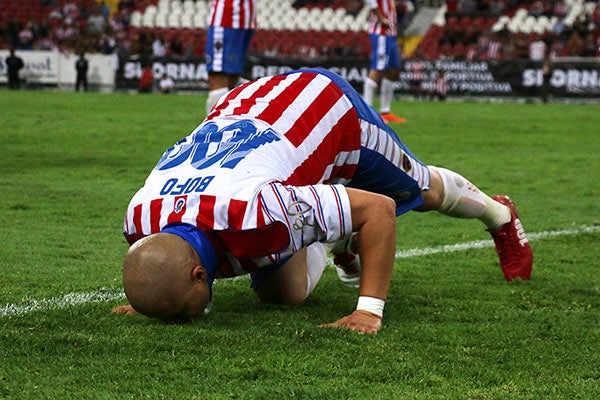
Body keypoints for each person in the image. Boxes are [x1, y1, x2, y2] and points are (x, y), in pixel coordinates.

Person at [113, 68, 533, 334]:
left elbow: (379, 210)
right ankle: (336, 229)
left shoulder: (258, 212)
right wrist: (154, 298)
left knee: (419, 192)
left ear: (198, 273)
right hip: (244, 118)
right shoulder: (139, 219)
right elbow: (156, 265)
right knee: (285, 294)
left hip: (322, 110)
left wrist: (368, 312)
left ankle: (499, 216)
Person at [204, 0, 256, 115]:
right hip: (245, 16)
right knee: (232, 78)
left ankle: (215, 129)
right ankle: (227, 126)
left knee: (218, 76)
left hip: (227, 16)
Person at [362, 0, 406, 124]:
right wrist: (381, 18)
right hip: (380, 33)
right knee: (378, 69)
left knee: (394, 70)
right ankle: (366, 113)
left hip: (391, 33)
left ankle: (385, 111)